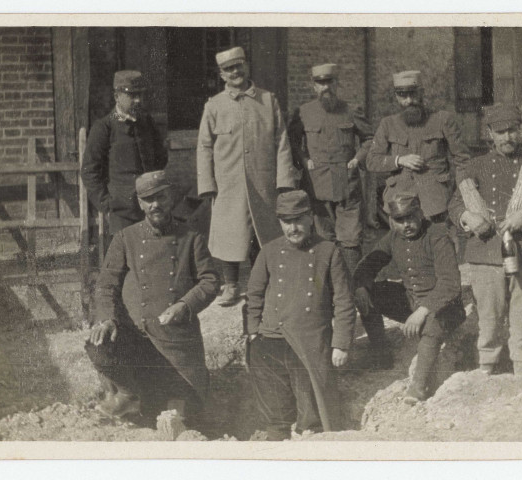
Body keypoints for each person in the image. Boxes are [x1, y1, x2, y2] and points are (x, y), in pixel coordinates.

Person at [84, 171, 219, 421]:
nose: (155, 204)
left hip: (175, 342)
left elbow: (210, 280)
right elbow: (105, 284)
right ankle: (127, 394)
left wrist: (184, 305)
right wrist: (107, 319)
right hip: (136, 337)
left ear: (171, 197)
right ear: (139, 203)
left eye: (161, 197)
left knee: (183, 411)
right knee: (98, 345)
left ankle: (158, 401)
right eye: (148, 199)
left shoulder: (192, 237)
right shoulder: (126, 238)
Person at [448, 104, 522, 378]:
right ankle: (486, 371)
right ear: (489, 133)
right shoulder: (476, 165)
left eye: (512, 130)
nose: (507, 137)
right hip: (486, 255)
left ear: (519, 130)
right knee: (488, 319)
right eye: (500, 132)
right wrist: (467, 216)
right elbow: (454, 203)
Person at [245, 190, 357, 440]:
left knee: (313, 417)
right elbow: (254, 294)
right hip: (270, 340)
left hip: (308, 341)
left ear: (309, 218)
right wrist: (253, 331)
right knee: (275, 415)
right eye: (286, 221)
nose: (292, 228)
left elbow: (343, 300)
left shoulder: (328, 252)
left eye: (298, 219)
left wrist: (340, 344)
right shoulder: (269, 251)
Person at [197, 46, 297, 307]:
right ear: (221, 75)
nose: (235, 72)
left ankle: (263, 285)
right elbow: (204, 146)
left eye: (239, 65)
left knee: (263, 237)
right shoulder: (214, 106)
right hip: (228, 185)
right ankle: (230, 286)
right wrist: (207, 184)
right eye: (229, 69)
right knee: (230, 236)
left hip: (263, 183)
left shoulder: (267, 100)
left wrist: (284, 180)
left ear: (247, 66)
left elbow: (281, 140)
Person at [353, 195, 465, 399]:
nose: (406, 225)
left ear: (421, 214)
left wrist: (422, 312)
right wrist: (361, 285)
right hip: (413, 302)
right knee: (367, 294)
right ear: (391, 221)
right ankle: (382, 355)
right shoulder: (393, 237)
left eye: (411, 218)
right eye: (399, 220)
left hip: (445, 307)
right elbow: (369, 264)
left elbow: (450, 284)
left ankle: (418, 387)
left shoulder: (437, 235)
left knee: (431, 325)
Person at [288, 63, 373, 274]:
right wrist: (304, 160)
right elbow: (292, 141)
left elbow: (370, 138)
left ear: (337, 83)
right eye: (320, 82)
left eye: (329, 82)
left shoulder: (351, 111)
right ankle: (327, 285)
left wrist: (357, 159)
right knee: (322, 237)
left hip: (347, 183)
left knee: (351, 238)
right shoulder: (304, 113)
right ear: (313, 86)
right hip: (317, 184)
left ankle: (354, 285)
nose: (325, 87)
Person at [366, 70, 470, 224]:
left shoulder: (442, 120)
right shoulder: (388, 124)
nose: (409, 100)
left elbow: (463, 160)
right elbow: (371, 161)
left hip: (436, 202)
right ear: (396, 96)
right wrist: (399, 160)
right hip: (399, 201)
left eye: (413, 94)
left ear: (422, 92)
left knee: (438, 243)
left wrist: (460, 195)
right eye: (403, 95)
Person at [81, 70, 168, 235]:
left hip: (150, 207)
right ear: (117, 96)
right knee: (125, 256)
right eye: (132, 95)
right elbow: (89, 171)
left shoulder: (147, 122)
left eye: (140, 95)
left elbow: (161, 157)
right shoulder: (104, 127)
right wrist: (107, 204)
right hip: (122, 212)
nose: (138, 100)